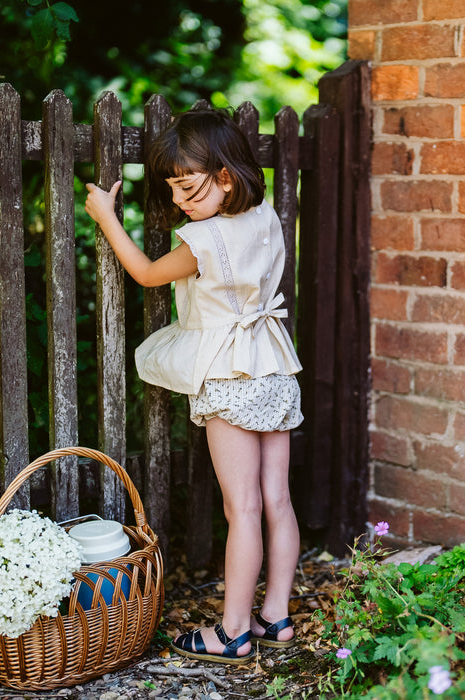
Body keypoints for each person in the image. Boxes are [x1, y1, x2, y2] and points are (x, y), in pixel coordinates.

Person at [84, 109, 302, 665]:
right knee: (276, 499)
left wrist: (107, 217)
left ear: (225, 177)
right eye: (173, 188)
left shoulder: (204, 238)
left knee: (244, 507)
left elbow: (146, 272)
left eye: (187, 186)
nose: (179, 199)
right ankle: (275, 616)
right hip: (275, 366)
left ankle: (232, 631)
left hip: (230, 374)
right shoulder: (268, 218)